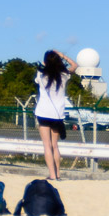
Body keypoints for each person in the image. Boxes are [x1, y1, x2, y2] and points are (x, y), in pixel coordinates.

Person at [34, 50, 78, 181]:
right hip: (57, 114)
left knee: (46, 146)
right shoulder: (64, 75)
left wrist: (45, 62)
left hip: (43, 112)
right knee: (55, 145)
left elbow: (41, 69)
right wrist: (62, 55)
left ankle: (52, 175)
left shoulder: (41, 75)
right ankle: (58, 174)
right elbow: (75, 65)